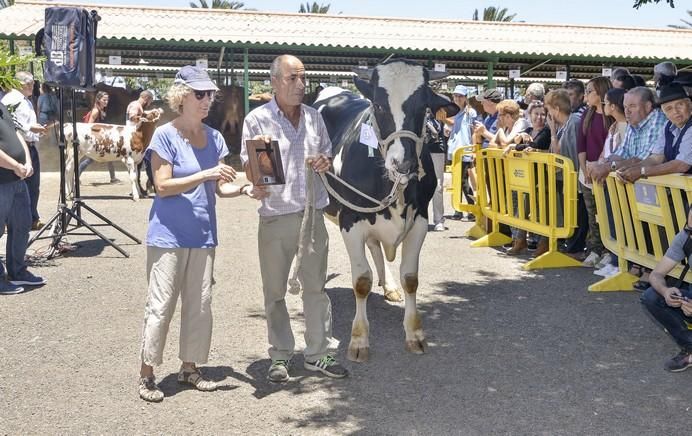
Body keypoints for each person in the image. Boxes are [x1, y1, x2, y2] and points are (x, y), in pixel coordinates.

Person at [137, 65, 246, 402]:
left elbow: (219, 189)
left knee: (200, 306)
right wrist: (206, 173)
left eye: (210, 94)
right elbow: (163, 186)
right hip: (167, 236)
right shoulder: (164, 136)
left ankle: (189, 368)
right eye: (200, 94)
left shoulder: (214, 138)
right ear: (181, 96)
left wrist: (245, 189)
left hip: (203, 236)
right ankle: (147, 374)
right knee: (161, 306)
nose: (207, 100)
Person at [241, 54, 348, 383]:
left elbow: (327, 154)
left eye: (303, 78)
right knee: (274, 292)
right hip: (276, 218)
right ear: (274, 82)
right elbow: (257, 170)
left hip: (313, 216)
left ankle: (318, 354)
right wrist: (258, 179)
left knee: (316, 288)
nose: (301, 85)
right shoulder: (259, 120)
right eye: (292, 78)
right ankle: (281, 355)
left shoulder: (315, 118)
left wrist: (323, 161)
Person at [0, 101, 47, 294]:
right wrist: (15, 166)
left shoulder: (2, 107)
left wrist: (26, 161)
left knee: (22, 225)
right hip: (3, 180)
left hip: (18, 180)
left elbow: (18, 134)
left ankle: (17, 270)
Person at [640, 207, 692, 372]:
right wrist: (665, 292)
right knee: (651, 297)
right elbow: (656, 274)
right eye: (690, 228)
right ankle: (690, 347)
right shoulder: (685, 237)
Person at [618, 84, 692, 183]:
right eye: (669, 108)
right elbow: (656, 158)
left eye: (680, 105)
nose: (675, 111)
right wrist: (630, 169)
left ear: (689, 104)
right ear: (664, 112)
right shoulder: (667, 126)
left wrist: (642, 171)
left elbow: (682, 164)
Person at [1, 72, 46, 231]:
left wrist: (33, 129)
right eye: (30, 83)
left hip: (29, 145)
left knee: (32, 186)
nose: (33, 86)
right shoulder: (11, 100)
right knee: (22, 185)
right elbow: (12, 124)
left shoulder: (23, 100)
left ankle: (31, 217)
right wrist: (31, 128)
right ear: (21, 84)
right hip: (19, 147)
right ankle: (19, 219)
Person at [577, 77, 613, 267]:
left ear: (600, 93)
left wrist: (598, 166)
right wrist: (585, 169)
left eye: (590, 91)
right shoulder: (586, 115)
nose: (587, 94)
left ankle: (609, 251)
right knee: (592, 213)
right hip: (588, 170)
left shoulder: (611, 116)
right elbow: (580, 144)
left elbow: (609, 145)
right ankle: (595, 248)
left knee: (607, 212)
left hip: (606, 170)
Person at [446, 85, 477, 221]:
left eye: (460, 96)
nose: (457, 98)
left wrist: (474, 148)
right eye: (456, 95)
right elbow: (451, 125)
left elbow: (474, 131)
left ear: (465, 98)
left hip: (465, 150)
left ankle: (471, 209)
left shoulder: (471, 112)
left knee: (464, 181)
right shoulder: (452, 111)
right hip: (454, 150)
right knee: (456, 181)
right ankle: (458, 209)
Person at [78, 91, 118, 183]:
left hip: (100, 138)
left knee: (110, 156)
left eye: (107, 100)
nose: (106, 102)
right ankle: (76, 176)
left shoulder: (101, 110)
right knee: (90, 159)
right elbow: (89, 125)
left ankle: (113, 178)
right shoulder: (96, 111)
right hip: (95, 139)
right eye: (104, 100)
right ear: (98, 100)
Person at [424, 107, 447, 231]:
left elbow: (441, 130)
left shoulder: (439, 110)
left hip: (437, 150)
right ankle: (420, 219)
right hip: (420, 150)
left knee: (437, 186)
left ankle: (439, 220)